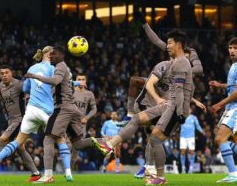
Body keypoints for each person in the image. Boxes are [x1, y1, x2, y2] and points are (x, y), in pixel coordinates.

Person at [92, 29, 194, 185]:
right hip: (169, 105)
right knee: (136, 120)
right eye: (166, 43)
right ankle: (110, 145)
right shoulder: (175, 63)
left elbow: (180, 91)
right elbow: (187, 88)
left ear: (179, 45)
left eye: (170, 43)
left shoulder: (181, 63)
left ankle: (159, 176)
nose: (166, 46)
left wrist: (180, 113)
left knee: (155, 139)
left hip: (174, 108)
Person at [25, 46, 98, 183]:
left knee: (48, 139)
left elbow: (55, 81)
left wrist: (35, 76)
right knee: (79, 144)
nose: (51, 57)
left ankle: (48, 175)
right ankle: (107, 142)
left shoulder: (59, 67)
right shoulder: (67, 69)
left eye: (54, 54)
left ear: (61, 55)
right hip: (71, 108)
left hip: (62, 109)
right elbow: (66, 84)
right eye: (50, 55)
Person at [0, 46, 54, 182]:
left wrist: (29, 95)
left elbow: (31, 87)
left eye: (6, 73)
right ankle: (35, 173)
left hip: (20, 120)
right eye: (1, 73)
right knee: (20, 148)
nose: (4, 75)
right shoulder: (1, 86)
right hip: (11, 120)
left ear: (11, 73)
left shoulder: (18, 84)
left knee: (2, 140)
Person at [209, 37, 237, 183]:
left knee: (220, 138)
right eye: (230, 47)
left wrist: (219, 104)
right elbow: (233, 85)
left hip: (235, 107)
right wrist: (221, 86)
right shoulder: (233, 65)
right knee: (229, 140)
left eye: (235, 48)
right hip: (232, 107)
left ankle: (233, 174)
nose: (232, 50)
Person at [180, 108, 204, 174]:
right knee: (183, 152)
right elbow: (177, 124)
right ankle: (183, 168)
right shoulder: (181, 117)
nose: (188, 110)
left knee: (191, 152)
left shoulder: (194, 117)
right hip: (183, 137)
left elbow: (197, 126)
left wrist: (202, 131)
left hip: (191, 137)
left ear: (191, 110)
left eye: (189, 109)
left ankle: (191, 169)